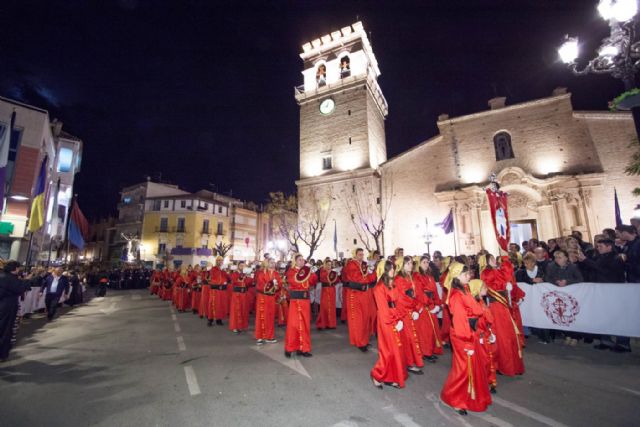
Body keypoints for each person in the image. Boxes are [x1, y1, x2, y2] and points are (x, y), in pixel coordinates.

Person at [440, 262, 492, 415]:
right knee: (462, 369)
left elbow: (476, 309)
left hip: (471, 332)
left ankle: (468, 396)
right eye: (465, 274)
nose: (468, 276)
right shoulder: (456, 295)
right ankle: (452, 398)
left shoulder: (465, 289)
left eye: (468, 274)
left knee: (472, 367)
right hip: (463, 336)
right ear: (457, 277)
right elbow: (460, 321)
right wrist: (467, 342)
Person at [480, 253, 525, 377]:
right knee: (502, 336)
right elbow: (492, 283)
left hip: (503, 307)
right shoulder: (486, 272)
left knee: (509, 335)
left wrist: (505, 258)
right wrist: (504, 284)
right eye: (492, 259)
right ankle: (502, 365)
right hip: (496, 307)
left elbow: (507, 274)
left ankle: (512, 365)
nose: (495, 261)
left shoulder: (495, 270)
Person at [370, 260, 408, 389]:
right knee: (388, 350)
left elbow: (400, 301)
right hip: (386, 321)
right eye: (390, 268)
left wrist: (400, 318)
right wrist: (393, 321)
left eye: (393, 268)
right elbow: (383, 309)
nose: (393, 270)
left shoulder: (394, 284)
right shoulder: (379, 288)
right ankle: (377, 374)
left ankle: (391, 377)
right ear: (384, 271)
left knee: (397, 349)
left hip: (396, 317)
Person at [342, 248, 377, 352]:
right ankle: (359, 342)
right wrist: (367, 274)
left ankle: (364, 340)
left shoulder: (365, 264)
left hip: (365, 294)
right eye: (359, 254)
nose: (361, 256)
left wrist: (371, 271)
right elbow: (356, 277)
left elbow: (372, 278)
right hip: (355, 294)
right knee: (358, 319)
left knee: (366, 317)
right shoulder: (351, 264)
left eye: (362, 254)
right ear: (355, 255)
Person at [394, 257, 424, 375]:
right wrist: (414, 307)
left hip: (410, 310)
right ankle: (409, 363)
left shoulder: (410, 277)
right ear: (402, 265)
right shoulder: (399, 279)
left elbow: (415, 295)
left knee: (411, 337)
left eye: (411, 263)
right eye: (407, 263)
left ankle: (409, 362)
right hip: (404, 312)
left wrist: (417, 307)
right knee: (408, 338)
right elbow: (402, 298)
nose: (411, 265)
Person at [284, 254, 318, 358]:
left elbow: (313, 281)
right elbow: (295, 282)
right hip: (295, 301)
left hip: (305, 301)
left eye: (303, 260)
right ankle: (289, 348)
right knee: (293, 325)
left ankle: (304, 348)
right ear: (295, 261)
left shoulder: (307, 271)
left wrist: (311, 272)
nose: (302, 261)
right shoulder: (291, 271)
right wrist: (305, 274)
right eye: (299, 260)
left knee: (305, 325)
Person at [412, 256, 443, 361]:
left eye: (427, 262)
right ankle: (426, 352)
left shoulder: (429, 276)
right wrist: (429, 301)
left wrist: (437, 304)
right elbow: (420, 293)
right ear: (419, 264)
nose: (426, 264)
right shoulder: (417, 276)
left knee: (432, 330)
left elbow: (434, 291)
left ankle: (431, 349)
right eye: (424, 262)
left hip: (431, 306)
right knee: (425, 331)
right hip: (424, 306)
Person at [0, 261, 31, 362]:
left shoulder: (3, 276)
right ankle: (2, 353)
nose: (19, 270)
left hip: (3, 305)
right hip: (7, 307)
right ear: (15, 269)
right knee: (5, 329)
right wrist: (27, 281)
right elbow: (19, 289)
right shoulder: (10, 279)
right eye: (18, 268)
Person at [254, 259, 281, 345]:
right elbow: (260, 285)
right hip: (263, 297)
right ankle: (260, 337)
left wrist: (277, 286)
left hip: (271, 297)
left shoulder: (276, 274)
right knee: (261, 316)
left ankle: (269, 336)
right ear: (266, 263)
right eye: (271, 262)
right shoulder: (262, 273)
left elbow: (279, 285)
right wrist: (271, 285)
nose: (273, 263)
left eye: (274, 262)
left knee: (270, 316)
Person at [229, 262, 252, 334]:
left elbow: (249, 284)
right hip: (237, 294)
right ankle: (235, 326)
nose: (242, 267)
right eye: (241, 265)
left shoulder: (246, 274)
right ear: (238, 266)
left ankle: (241, 326)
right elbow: (235, 282)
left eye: (244, 266)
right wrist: (242, 277)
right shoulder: (234, 274)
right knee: (236, 310)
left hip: (244, 294)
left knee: (243, 310)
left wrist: (249, 277)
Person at [208, 257, 230, 326]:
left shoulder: (224, 270)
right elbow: (213, 278)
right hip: (215, 290)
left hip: (222, 290)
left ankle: (219, 319)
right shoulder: (213, 269)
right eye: (219, 260)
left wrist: (225, 271)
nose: (220, 261)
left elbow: (228, 278)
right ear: (216, 261)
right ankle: (210, 320)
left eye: (222, 260)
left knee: (220, 305)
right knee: (213, 304)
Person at [316, 259, 338, 330]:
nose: (329, 266)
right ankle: (322, 323)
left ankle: (331, 324)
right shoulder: (322, 271)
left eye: (330, 264)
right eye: (328, 264)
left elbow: (337, 280)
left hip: (332, 290)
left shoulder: (333, 272)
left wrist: (336, 277)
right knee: (324, 307)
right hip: (325, 290)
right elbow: (322, 278)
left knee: (331, 306)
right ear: (325, 265)